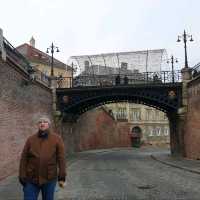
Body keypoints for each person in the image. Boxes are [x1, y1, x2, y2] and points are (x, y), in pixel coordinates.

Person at [19, 116, 66, 200]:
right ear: (38, 125)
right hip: (31, 179)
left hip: (49, 179)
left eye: (45, 122)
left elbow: (61, 159)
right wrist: (22, 175)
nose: (42, 123)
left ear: (49, 124)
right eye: (40, 122)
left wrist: (62, 176)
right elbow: (24, 158)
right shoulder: (30, 139)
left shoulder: (57, 139)